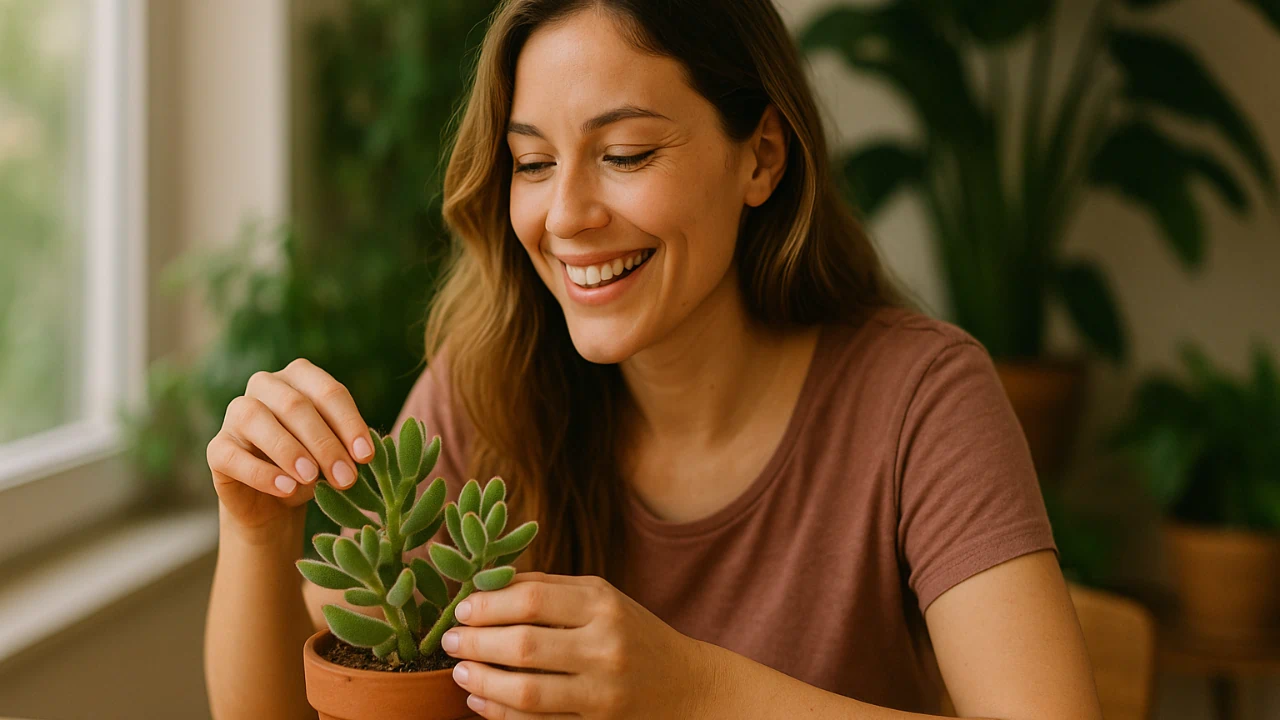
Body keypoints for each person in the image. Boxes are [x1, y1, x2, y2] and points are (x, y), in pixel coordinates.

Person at [205, 1, 1104, 718]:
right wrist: (256, 533)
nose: (566, 216)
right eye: (531, 162)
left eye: (626, 153)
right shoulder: (486, 386)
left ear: (761, 158)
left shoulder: (921, 399)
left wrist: (696, 691)